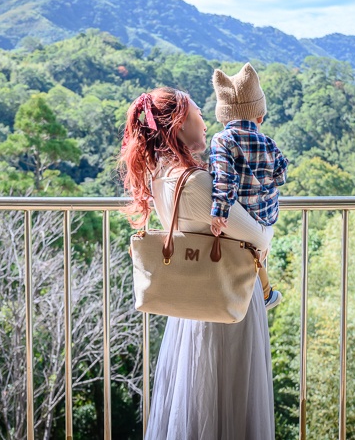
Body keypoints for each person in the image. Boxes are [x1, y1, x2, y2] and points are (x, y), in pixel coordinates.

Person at [118, 87, 276, 439]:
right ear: (178, 124)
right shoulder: (196, 183)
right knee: (228, 401)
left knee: (196, 404)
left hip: (192, 305)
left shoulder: (161, 174)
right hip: (224, 300)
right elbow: (260, 237)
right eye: (196, 114)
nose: (205, 122)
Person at [210, 63, 288, 309]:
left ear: (223, 117)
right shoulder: (269, 142)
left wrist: (219, 213)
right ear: (260, 116)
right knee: (256, 249)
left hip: (240, 216)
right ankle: (264, 293)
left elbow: (224, 178)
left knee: (238, 243)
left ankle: (257, 293)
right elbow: (281, 174)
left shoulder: (222, 139)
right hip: (265, 216)